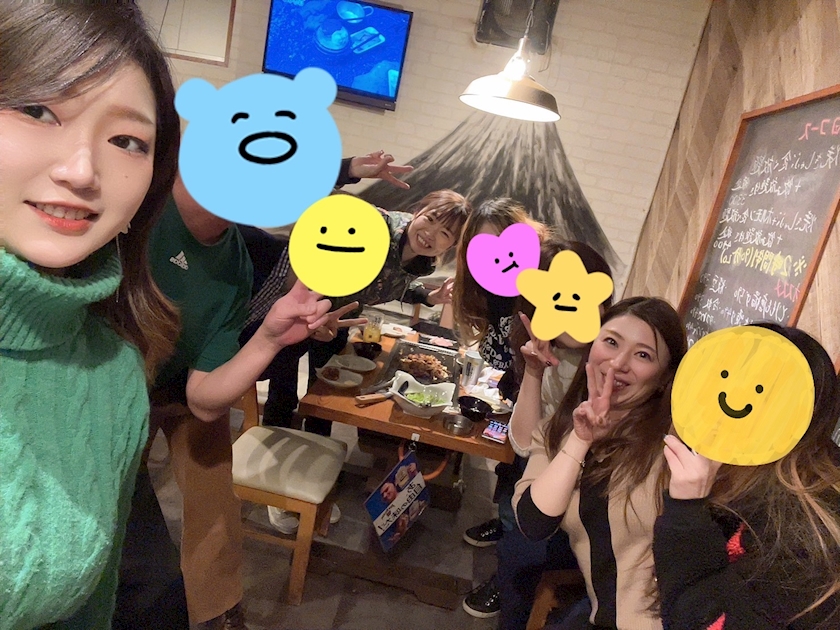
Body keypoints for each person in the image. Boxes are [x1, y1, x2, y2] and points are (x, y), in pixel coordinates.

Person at [0, 3, 180, 628]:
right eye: (37, 110)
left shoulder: (113, 370)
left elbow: (89, 607)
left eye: (127, 141)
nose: (81, 171)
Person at [116, 171, 342, 630]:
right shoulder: (137, 205)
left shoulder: (239, 258)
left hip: (186, 381)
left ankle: (218, 609)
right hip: (113, 393)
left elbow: (206, 396)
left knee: (213, 488)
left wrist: (273, 339)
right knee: (117, 511)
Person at [244, 188, 472, 535]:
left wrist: (428, 296)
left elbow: (393, 285)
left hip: (341, 319)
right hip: (305, 310)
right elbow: (321, 225)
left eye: (444, 234)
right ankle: (274, 490)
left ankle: (310, 478)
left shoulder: (422, 262)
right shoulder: (376, 225)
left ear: (450, 245)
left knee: (325, 398)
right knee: (283, 391)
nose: (431, 235)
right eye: (430, 220)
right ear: (417, 211)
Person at [459, 235, 614, 623]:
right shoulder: (543, 345)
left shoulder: (612, 356)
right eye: (553, 294)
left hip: (596, 489)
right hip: (553, 469)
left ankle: (513, 576)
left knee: (520, 549)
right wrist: (532, 370)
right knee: (518, 520)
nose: (568, 305)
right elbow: (524, 443)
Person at [514, 297, 687, 630]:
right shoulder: (559, 431)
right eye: (611, 342)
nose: (618, 363)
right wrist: (581, 439)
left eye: (643, 355)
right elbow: (533, 523)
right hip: (605, 615)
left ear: (664, 377)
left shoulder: (673, 445)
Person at [653, 324, 840, 630]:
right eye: (723, 377)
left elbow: (703, 621)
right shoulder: (734, 487)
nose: (732, 399)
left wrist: (685, 513)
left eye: (762, 394)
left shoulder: (804, 539)